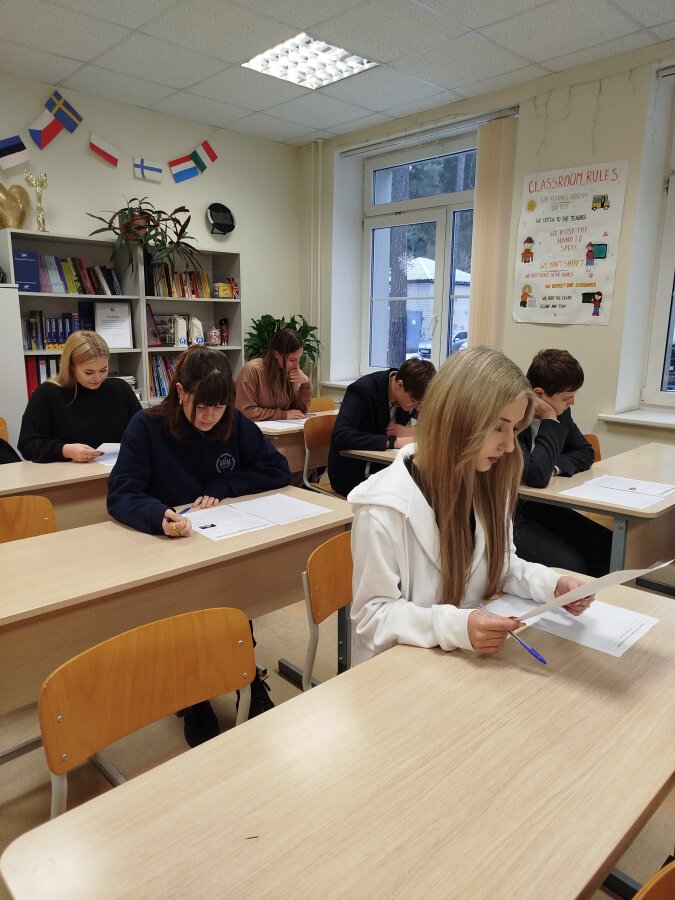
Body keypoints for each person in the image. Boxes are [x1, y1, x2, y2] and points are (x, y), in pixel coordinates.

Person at [348, 347, 594, 666]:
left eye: (515, 429)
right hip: (399, 672)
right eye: (498, 427)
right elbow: (372, 618)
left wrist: (552, 585)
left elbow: (499, 567)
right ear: (456, 420)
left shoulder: (485, 484)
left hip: (460, 663)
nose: (509, 446)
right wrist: (456, 626)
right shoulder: (382, 509)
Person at [107, 346, 291, 745]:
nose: (210, 417)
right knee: (188, 612)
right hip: (170, 545)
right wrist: (158, 515)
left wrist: (225, 485)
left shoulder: (233, 423)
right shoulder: (146, 426)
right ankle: (192, 694)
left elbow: (278, 469)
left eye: (219, 407)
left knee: (234, 598)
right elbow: (121, 493)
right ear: (180, 392)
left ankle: (245, 676)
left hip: (221, 541)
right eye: (201, 406)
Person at [514, 348, 611, 577]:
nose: (572, 403)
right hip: (512, 513)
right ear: (539, 394)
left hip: (541, 506)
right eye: (567, 398)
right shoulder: (514, 416)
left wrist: (554, 467)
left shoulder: (562, 413)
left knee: (605, 545)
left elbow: (585, 451)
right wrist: (549, 419)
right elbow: (536, 476)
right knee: (571, 564)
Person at [18, 330, 141, 463]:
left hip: (115, 469)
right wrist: (65, 450)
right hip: (67, 472)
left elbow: (143, 431)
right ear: (71, 366)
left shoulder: (120, 389)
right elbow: (27, 445)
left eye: (103, 370)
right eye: (88, 372)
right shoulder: (47, 394)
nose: (97, 378)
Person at [327, 357, 436, 497]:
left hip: (384, 469)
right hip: (352, 470)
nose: (418, 408)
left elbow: (435, 425)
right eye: (415, 402)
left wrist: (409, 431)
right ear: (400, 385)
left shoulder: (412, 393)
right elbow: (340, 435)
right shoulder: (362, 390)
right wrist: (393, 441)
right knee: (409, 494)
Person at [235, 328, 312, 420]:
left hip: (285, 427)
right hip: (255, 427)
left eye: (299, 359)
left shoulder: (291, 370)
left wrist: (305, 384)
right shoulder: (252, 370)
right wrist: (283, 415)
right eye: (292, 360)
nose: (297, 365)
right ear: (275, 354)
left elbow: (299, 412)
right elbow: (245, 411)